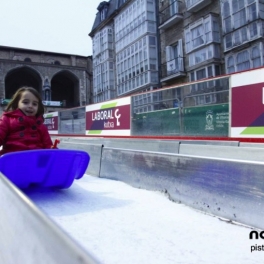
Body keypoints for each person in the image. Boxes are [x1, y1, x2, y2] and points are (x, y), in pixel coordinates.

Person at [0, 86, 57, 155]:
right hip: (12, 162)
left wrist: (53, 151)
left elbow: (48, 146)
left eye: (34, 104)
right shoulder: (7, 119)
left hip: (35, 163)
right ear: (17, 104)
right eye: (26, 102)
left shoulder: (41, 126)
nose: (30, 106)